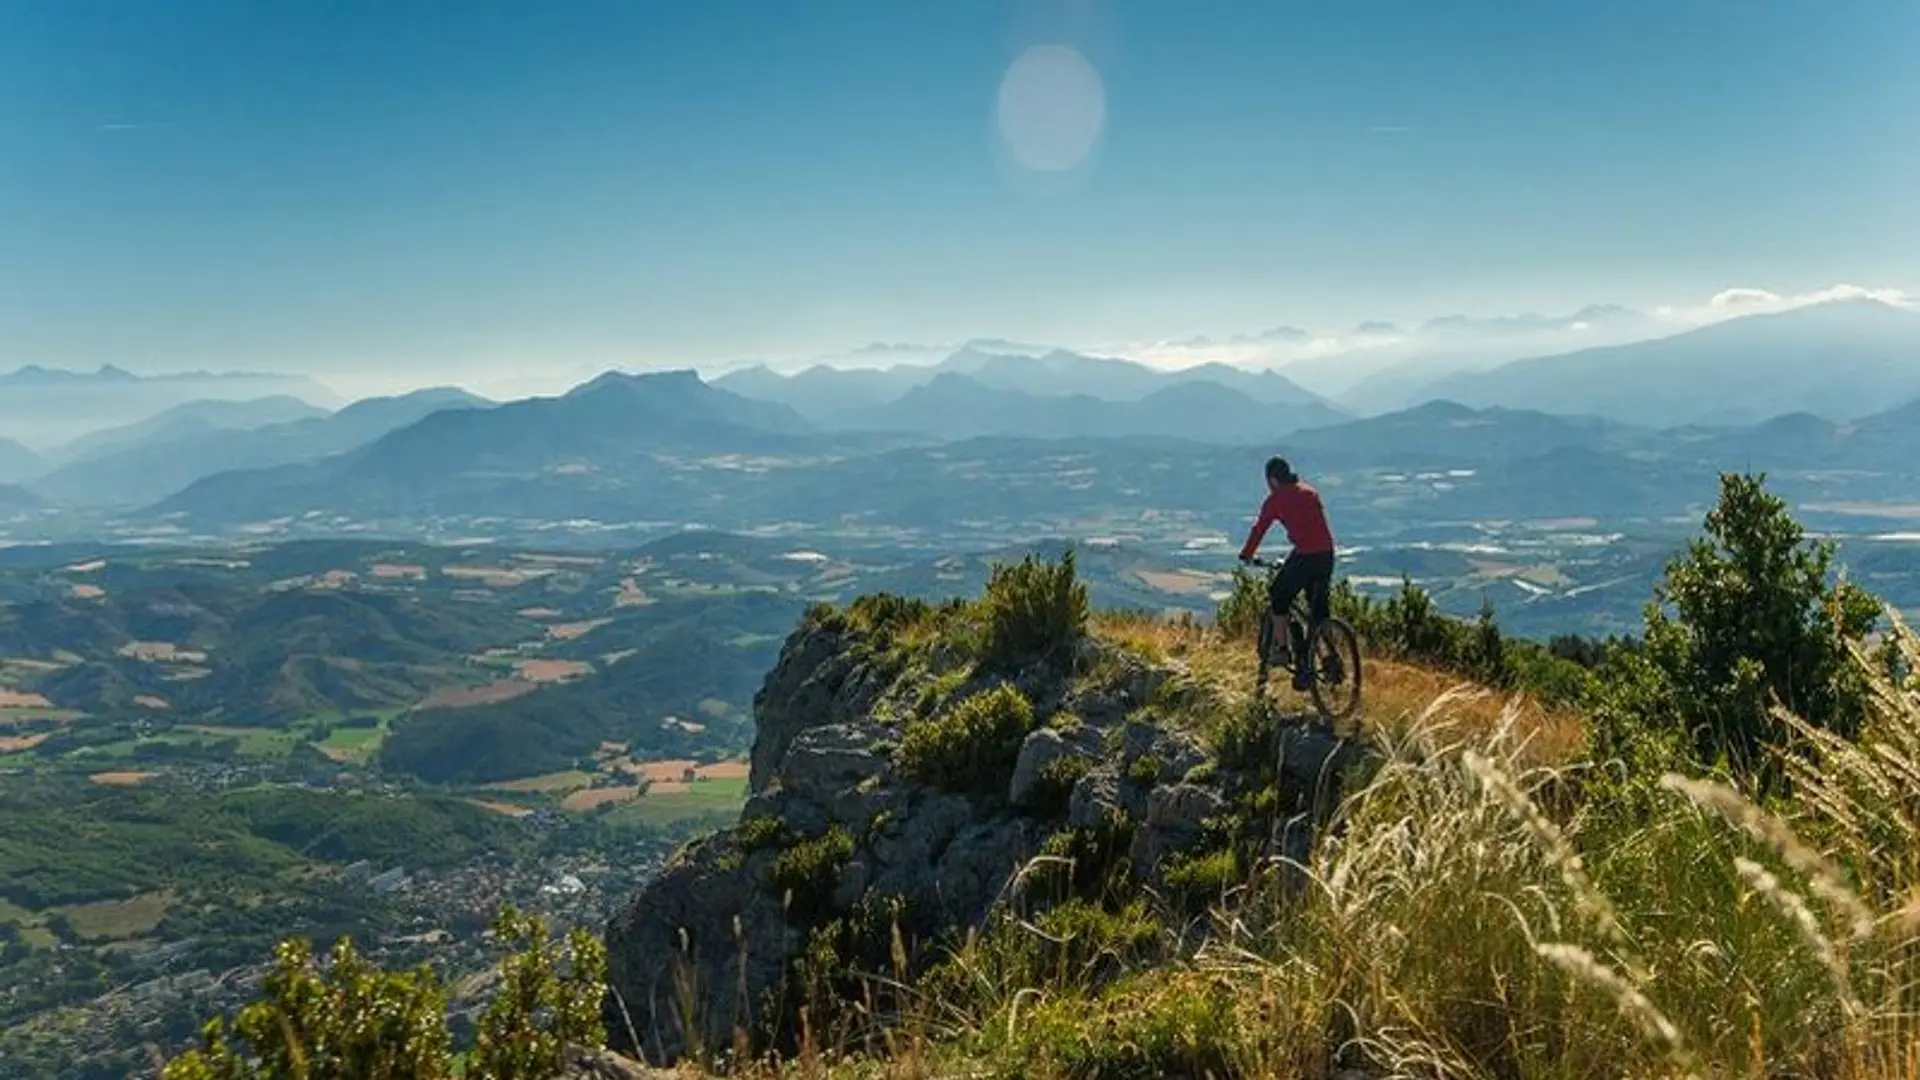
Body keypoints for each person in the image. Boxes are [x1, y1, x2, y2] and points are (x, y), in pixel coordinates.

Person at [1238, 455, 1337, 690]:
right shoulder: (1310, 492)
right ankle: (1331, 657)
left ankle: (1282, 649)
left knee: (1278, 595)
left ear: (1273, 479)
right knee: (1319, 611)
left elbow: (1259, 529)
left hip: (1304, 556)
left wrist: (1246, 554)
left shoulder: (1275, 500)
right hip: (1326, 555)